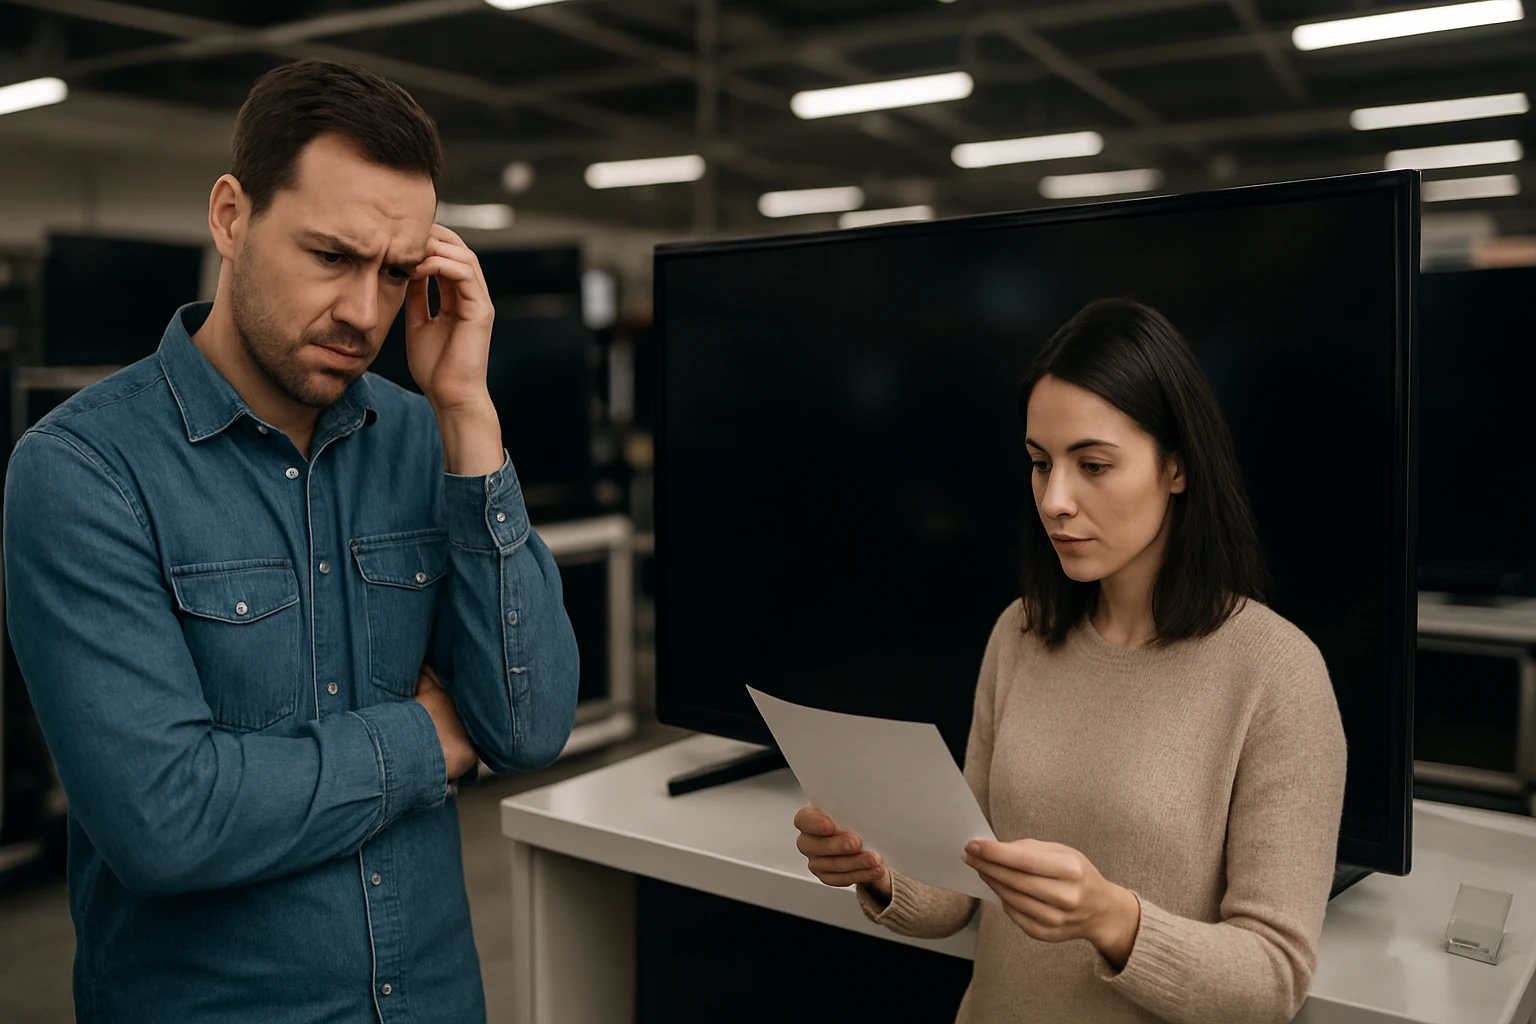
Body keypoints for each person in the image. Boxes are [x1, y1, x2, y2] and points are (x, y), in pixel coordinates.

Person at [3, 59, 580, 1023]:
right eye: (331, 257)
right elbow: (167, 821)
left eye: (397, 274)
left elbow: (527, 727)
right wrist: (426, 739)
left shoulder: (422, 437)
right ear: (231, 217)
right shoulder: (83, 472)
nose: (365, 313)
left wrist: (468, 413)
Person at [793, 297, 1347, 1024]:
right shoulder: (1020, 634)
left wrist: (1113, 920)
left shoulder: (1277, 674)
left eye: (1093, 465)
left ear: (1177, 467)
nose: (1055, 500)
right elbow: (961, 893)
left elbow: (1273, 980)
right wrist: (876, 870)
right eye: (1039, 463)